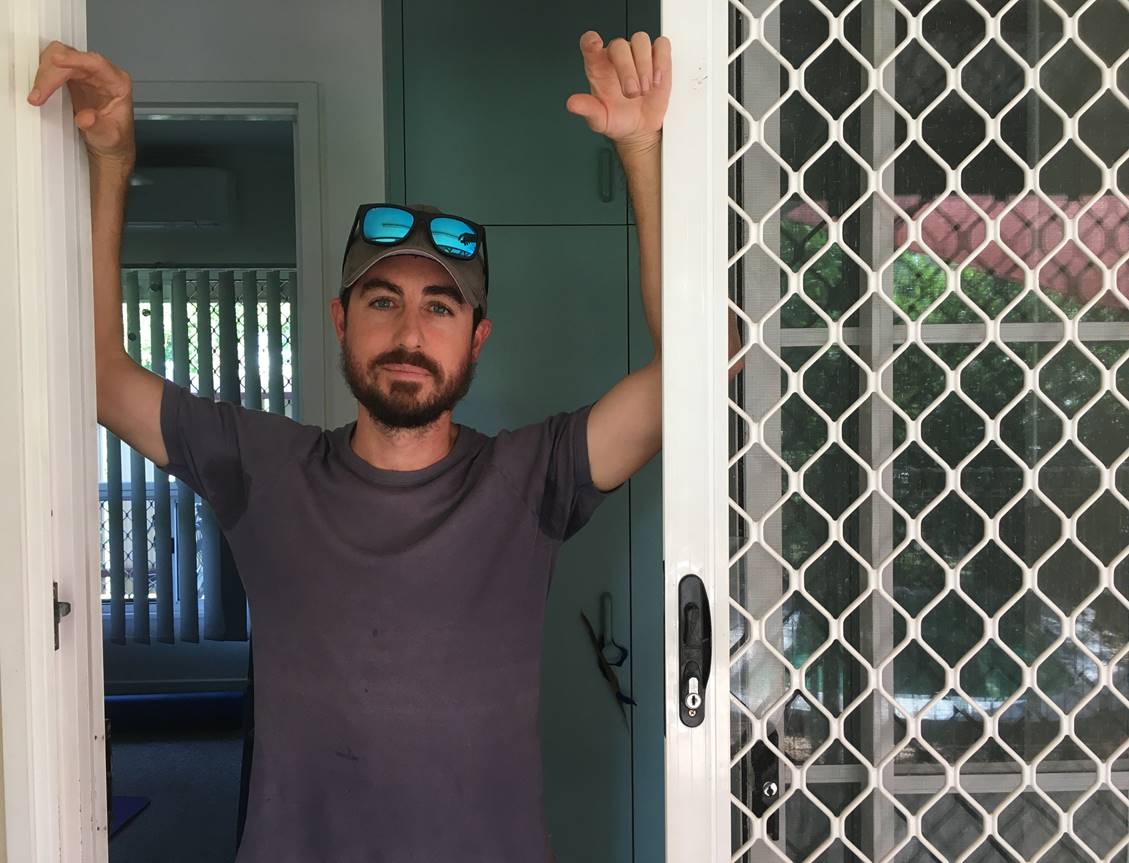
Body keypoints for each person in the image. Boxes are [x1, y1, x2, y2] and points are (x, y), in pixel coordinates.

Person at [29, 30, 671, 863]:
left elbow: (699, 370)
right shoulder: (261, 466)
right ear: (340, 320)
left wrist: (641, 155)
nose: (409, 331)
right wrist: (114, 162)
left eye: (440, 308)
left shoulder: (530, 478)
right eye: (382, 301)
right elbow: (102, 377)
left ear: (477, 339)